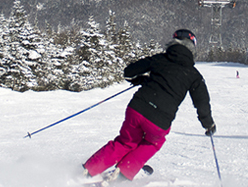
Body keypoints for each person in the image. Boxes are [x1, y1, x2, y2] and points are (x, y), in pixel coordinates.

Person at [83, 29, 216, 182]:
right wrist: (208, 124)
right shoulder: (194, 75)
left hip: (138, 108)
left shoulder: (160, 59)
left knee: (125, 141)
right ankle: (123, 173)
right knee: (153, 143)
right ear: (192, 48)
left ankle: (90, 170)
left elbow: (129, 72)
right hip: (160, 120)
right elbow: (202, 103)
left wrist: (143, 79)